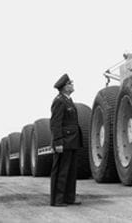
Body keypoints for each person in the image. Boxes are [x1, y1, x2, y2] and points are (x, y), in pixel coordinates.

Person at [50, 73, 83, 207]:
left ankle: (69, 197)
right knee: (61, 171)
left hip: (72, 141)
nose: (72, 85)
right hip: (64, 141)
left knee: (71, 171)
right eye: (70, 83)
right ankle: (57, 200)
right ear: (64, 87)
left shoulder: (68, 100)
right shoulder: (59, 101)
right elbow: (55, 123)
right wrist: (58, 142)